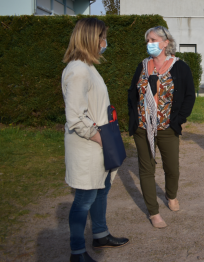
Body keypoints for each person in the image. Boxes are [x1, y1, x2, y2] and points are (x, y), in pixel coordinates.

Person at [62, 18, 129, 262]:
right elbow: (76, 117)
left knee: (101, 190)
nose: (104, 42)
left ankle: (100, 234)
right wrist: (100, 138)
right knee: (84, 198)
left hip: (98, 142)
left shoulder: (87, 67)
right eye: (102, 37)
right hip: (89, 145)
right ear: (91, 38)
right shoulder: (78, 70)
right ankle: (77, 252)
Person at [128, 26, 196, 228]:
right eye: (147, 40)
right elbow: (132, 93)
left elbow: (189, 95)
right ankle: (153, 213)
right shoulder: (142, 65)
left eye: (153, 40)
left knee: (171, 168)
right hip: (143, 128)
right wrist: (134, 118)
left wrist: (180, 118)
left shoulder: (180, 67)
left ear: (166, 42)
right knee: (146, 170)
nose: (149, 44)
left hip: (167, 128)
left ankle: (171, 195)